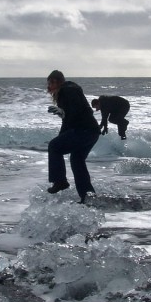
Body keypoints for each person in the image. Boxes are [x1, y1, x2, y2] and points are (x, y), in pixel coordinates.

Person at [44, 70, 100, 203]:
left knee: (54, 146)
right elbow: (69, 118)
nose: (48, 88)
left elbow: (74, 111)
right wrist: (64, 115)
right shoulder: (68, 90)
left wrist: (64, 112)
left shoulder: (67, 90)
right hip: (91, 131)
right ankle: (88, 197)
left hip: (84, 131)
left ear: (55, 81)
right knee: (76, 160)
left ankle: (60, 181)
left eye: (49, 84)